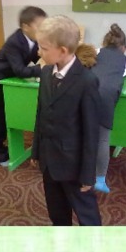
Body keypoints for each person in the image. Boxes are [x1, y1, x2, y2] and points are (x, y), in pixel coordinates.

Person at [30, 15, 102, 226]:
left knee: (86, 214)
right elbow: (41, 113)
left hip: (73, 165)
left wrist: (88, 174)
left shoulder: (87, 81)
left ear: (62, 50)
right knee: (57, 211)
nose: (38, 52)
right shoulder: (45, 73)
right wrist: (36, 150)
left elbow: (91, 132)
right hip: (49, 160)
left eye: (43, 48)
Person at [0, 6, 47, 167]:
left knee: (5, 116)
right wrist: (43, 69)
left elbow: (38, 57)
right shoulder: (14, 42)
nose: (43, 30)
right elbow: (20, 70)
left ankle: (3, 148)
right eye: (39, 26)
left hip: (6, 81)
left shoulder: (33, 39)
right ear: (25, 27)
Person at [87, 24, 126, 193]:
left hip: (84, 93)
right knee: (102, 140)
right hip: (105, 99)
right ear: (124, 48)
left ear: (103, 43)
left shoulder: (95, 52)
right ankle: (100, 179)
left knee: (81, 132)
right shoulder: (125, 60)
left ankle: (78, 171)